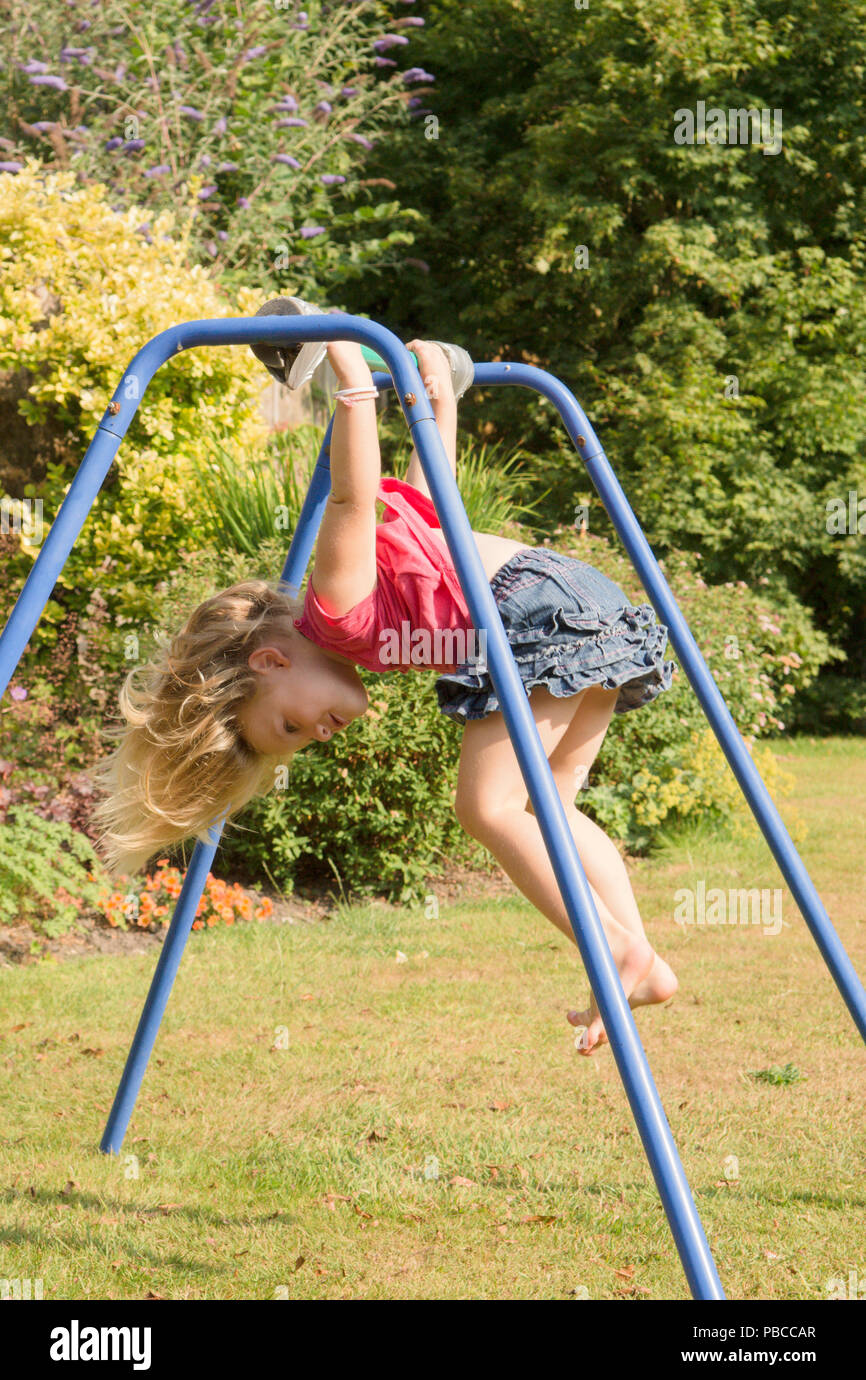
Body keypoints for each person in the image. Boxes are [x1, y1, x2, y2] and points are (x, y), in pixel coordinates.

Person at [92, 338, 678, 1056]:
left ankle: (615, 951)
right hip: (587, 605)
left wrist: (350, 375)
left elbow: (351, 495)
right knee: (549, 807)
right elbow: (431, 502)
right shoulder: (386, 593)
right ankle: (635, 957)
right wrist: (438, 397)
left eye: (290, 725)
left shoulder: (339, 607)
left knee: (485, 807)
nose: (319, 734)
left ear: (272, 659)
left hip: (536, 614)